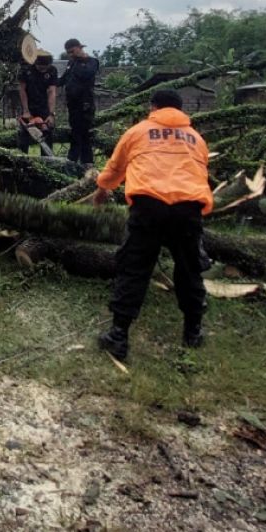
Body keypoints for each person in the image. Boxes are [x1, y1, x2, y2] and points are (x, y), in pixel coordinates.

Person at [92, 89, 212, 362]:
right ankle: (192, 332)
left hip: (149, 206)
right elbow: (200, 173)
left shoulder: (138, 132)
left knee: (134, 267)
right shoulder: (196, 139)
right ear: (181, 110)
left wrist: (101, 192)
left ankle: (118, 336)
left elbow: (115, 168)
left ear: (154, 107)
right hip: (188, 208)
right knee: (189, 269)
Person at [61, 39, 99, 167]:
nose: (71, 55)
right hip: (73, 104)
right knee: (75, 131)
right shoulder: (71, 63)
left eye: (72, 51)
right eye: (68, 53)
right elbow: (64, 79)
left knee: (83, 133)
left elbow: (86, 74)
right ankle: (76, 162)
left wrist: (82, 60)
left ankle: (82, 162)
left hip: (85, 104)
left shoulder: (92, 62)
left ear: (79, 47)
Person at [16, 50, 59, 154]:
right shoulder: (25, 69)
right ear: (36, 63)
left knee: (47, 134)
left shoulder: (52, 70)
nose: (43, 69)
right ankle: (22, 160)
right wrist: (26, 110)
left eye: (45, 67)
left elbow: (52, 91)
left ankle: (47, 160)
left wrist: (51, 113)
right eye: (40, 67)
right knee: (24, 137)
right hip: (28, 105)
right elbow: (22, 90)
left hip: (44, 106)